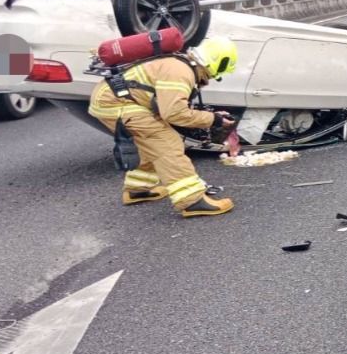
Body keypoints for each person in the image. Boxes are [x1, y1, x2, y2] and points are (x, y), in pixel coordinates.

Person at [88, 37, 240, 218]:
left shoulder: (180, 64)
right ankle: (192, 201)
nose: (214, 77)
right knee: (167, 145)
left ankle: (138, 189)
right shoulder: (181, 71)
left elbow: (169, 104)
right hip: (116, 103)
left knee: (149, 143)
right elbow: (174, 113)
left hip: (114, 100)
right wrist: (213, 120)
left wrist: (212, 116)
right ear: (219, 63)